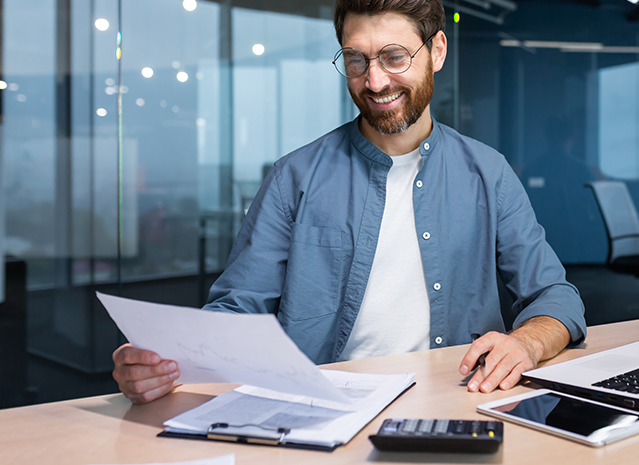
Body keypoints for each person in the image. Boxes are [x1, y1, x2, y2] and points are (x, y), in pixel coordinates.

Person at [112, 0, 586, 405]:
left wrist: (525, 341)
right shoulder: (293, 177)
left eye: (394, 57)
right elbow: (239, 310)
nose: (375, 82)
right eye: (356, 60)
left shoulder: (488, 173)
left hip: (457, 399)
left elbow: (555, 296)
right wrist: (164, 359)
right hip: (322, 407)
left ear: (437, 51)